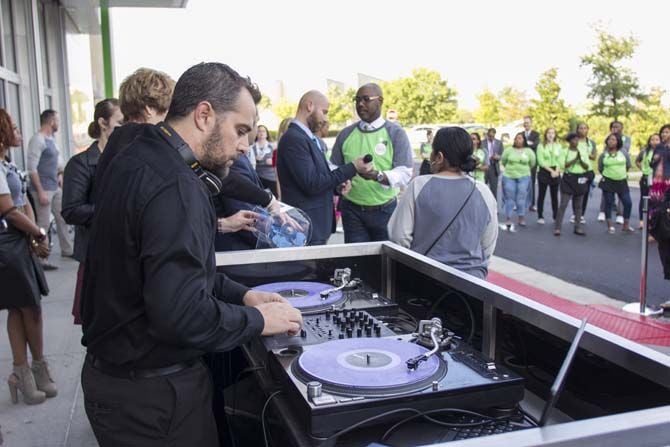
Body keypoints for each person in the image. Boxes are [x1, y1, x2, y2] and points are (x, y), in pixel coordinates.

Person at [80, 63, 303, 447]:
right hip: (153, 400)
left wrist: (241, 295)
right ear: (204, 115)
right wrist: (256, 319)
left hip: (117, 386)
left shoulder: (133, 154)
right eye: (240, 130)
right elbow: (180, 314)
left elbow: (163, 271)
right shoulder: (176, 188)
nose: (245, 145)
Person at [0, 109, 57, 405]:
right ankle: (28, 371)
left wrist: (34, 231)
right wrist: (38, 231)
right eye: (13, 127)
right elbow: (7, 209)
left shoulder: (7, 163)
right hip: (7, 243)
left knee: (22, 308)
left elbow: (22, 202)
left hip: (18, 240)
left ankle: (28, 371)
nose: (19, 131)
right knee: (26, 306)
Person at [388, 127, 498, 279]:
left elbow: (399, 236)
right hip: (472, 282)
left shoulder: (419, 186)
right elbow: (487, 244)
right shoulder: (483, 191)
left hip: (425, 278)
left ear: (439, 157)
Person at [277, 90, 372, 245]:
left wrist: (336, 187)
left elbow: (318, 177)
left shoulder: (307, 138)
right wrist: (353, 167)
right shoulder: (294, 139)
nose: (325, 118)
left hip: (316, 226)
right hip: (307, 227)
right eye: (324, 112)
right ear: (310, 106)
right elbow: (312, 184)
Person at [61, 99, 123, 325]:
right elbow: (71, 210)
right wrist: (116, 210)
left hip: (124, 257)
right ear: (102, 123)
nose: (124, 130)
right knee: (97, 328)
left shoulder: (126, 159)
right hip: (96, 258)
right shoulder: (80, 164)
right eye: (120, 123)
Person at [330, 83, 413, 243]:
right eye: (357, 100)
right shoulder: (346, 134)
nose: (360, 104)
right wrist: (341, 182)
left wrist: (377, 175)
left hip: (386, 211)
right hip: (352, 211)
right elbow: (333, 166)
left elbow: (405, 173)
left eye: (366, 99)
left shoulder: (396, 133)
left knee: (385, 264)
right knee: (357, 263)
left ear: (380, 101)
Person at [26, 109, 73, 269]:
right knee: (43, 223)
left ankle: (67, 250)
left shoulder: (51, 140)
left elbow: (58, 163)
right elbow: (32, 169)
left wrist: (60, 174)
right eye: (57, 120)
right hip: (43, 188)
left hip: (54, 186)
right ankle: (42, 258)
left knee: (63, 217)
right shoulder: (37, 140)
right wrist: (39, 191)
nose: (58, 123)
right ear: (51, 121)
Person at [554, 133, 590, 236]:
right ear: (569, 141)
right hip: (568, 178)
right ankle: (557, 227)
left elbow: (586, 166)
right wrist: (574, 160)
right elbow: (562, 165)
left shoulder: (582, 151)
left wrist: (580, 160)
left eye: (577, 140)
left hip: (580, 178)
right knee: (563, 204)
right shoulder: (564, 151)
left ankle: (577, 227)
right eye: (574, 140)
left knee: (578, 205)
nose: (576, 142)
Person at [598, 133, 633, 234]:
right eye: (609, 139)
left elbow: (628, 165)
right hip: (608, 181)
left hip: (621, 181)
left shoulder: (623, 152)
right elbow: (600, 168)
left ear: (618, 142)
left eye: (613, 140)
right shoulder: (603, 154)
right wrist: (608, 174)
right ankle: (610, 225)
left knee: (628, 203)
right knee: (608, 203)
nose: (611, 141)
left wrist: (620, 173)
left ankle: (626, 225)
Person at [501, 132, 536, 231]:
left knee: (521, 197)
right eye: (516, 138)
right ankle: (508, 218)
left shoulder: (528, 151)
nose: (518, 140)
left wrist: (524, 170)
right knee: (509, 197)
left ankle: (521, 217)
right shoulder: (509, 150)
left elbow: (532, 163)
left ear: (524, 140)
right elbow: (503, 161)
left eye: (520, 138)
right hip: (509, 176)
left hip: (524, 176)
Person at [536, 128, 563, 224]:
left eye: (553, 133)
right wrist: (551, 170)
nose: (551, 135)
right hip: (545, 171)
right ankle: (540, 215)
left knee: (554, 195)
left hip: (556, 171)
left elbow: (561, 159)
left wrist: (557, 171)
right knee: (542, 194)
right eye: (549, 133)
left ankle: (555, 216)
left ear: (555, 135)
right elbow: (541, 161)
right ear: (545, 134)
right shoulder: (541, 146)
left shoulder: (558, 146)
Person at [635, 134, 660, 229]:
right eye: (652, 139)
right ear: (649, 141)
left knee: (655, 200)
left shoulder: (663, 152)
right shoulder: (645, 151)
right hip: (646, 178)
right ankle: (642, 220)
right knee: (644, 199)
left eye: (657, 140)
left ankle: (652, 221)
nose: (654, 142)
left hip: (657, 179)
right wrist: (642, 168)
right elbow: (637, 161)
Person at [575, 122, 596, 224]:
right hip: (577, 171)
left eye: (585, 128)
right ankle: (575, 214)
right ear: (577, 130)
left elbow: (594, 156)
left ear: (587, 130)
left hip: (588, 171)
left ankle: (581, 214)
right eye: (580, 128)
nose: (583, 130)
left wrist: (586, 154)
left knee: (585, 193)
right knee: (577, 193)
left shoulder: (591, 142)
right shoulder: (574, 141)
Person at [250, 124, 277, 196]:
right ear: (256, 134)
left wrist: (273, 161)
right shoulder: (252, 148)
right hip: (258, 178)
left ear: (267, 134)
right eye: (259, 131)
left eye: (263, 131)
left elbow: (280, 162)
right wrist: (256, 160)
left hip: (271, 178)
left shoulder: (273, 146)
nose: (261, 133)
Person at [522, 116, 540, 212]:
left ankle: (532, 204)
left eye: (527, 122)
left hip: (532, 162)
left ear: (531, 123)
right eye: (525, 122)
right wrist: (528, 143)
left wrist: (527, 144)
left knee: (531, 183)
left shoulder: (536, 134)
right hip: (521, 162)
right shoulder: (520, 134)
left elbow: (535, 145)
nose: (526, 124)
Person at [483, 128, 503, 201]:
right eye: (490, 136)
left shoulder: (499, 143)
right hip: (484, 167)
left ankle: (494, 208)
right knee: (483, 188)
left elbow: (502, 155)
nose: (491, 138)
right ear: (487, 135)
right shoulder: (482, 143)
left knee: (494, 189)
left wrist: (498, 157)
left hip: (494, 167)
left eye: (493, 136)